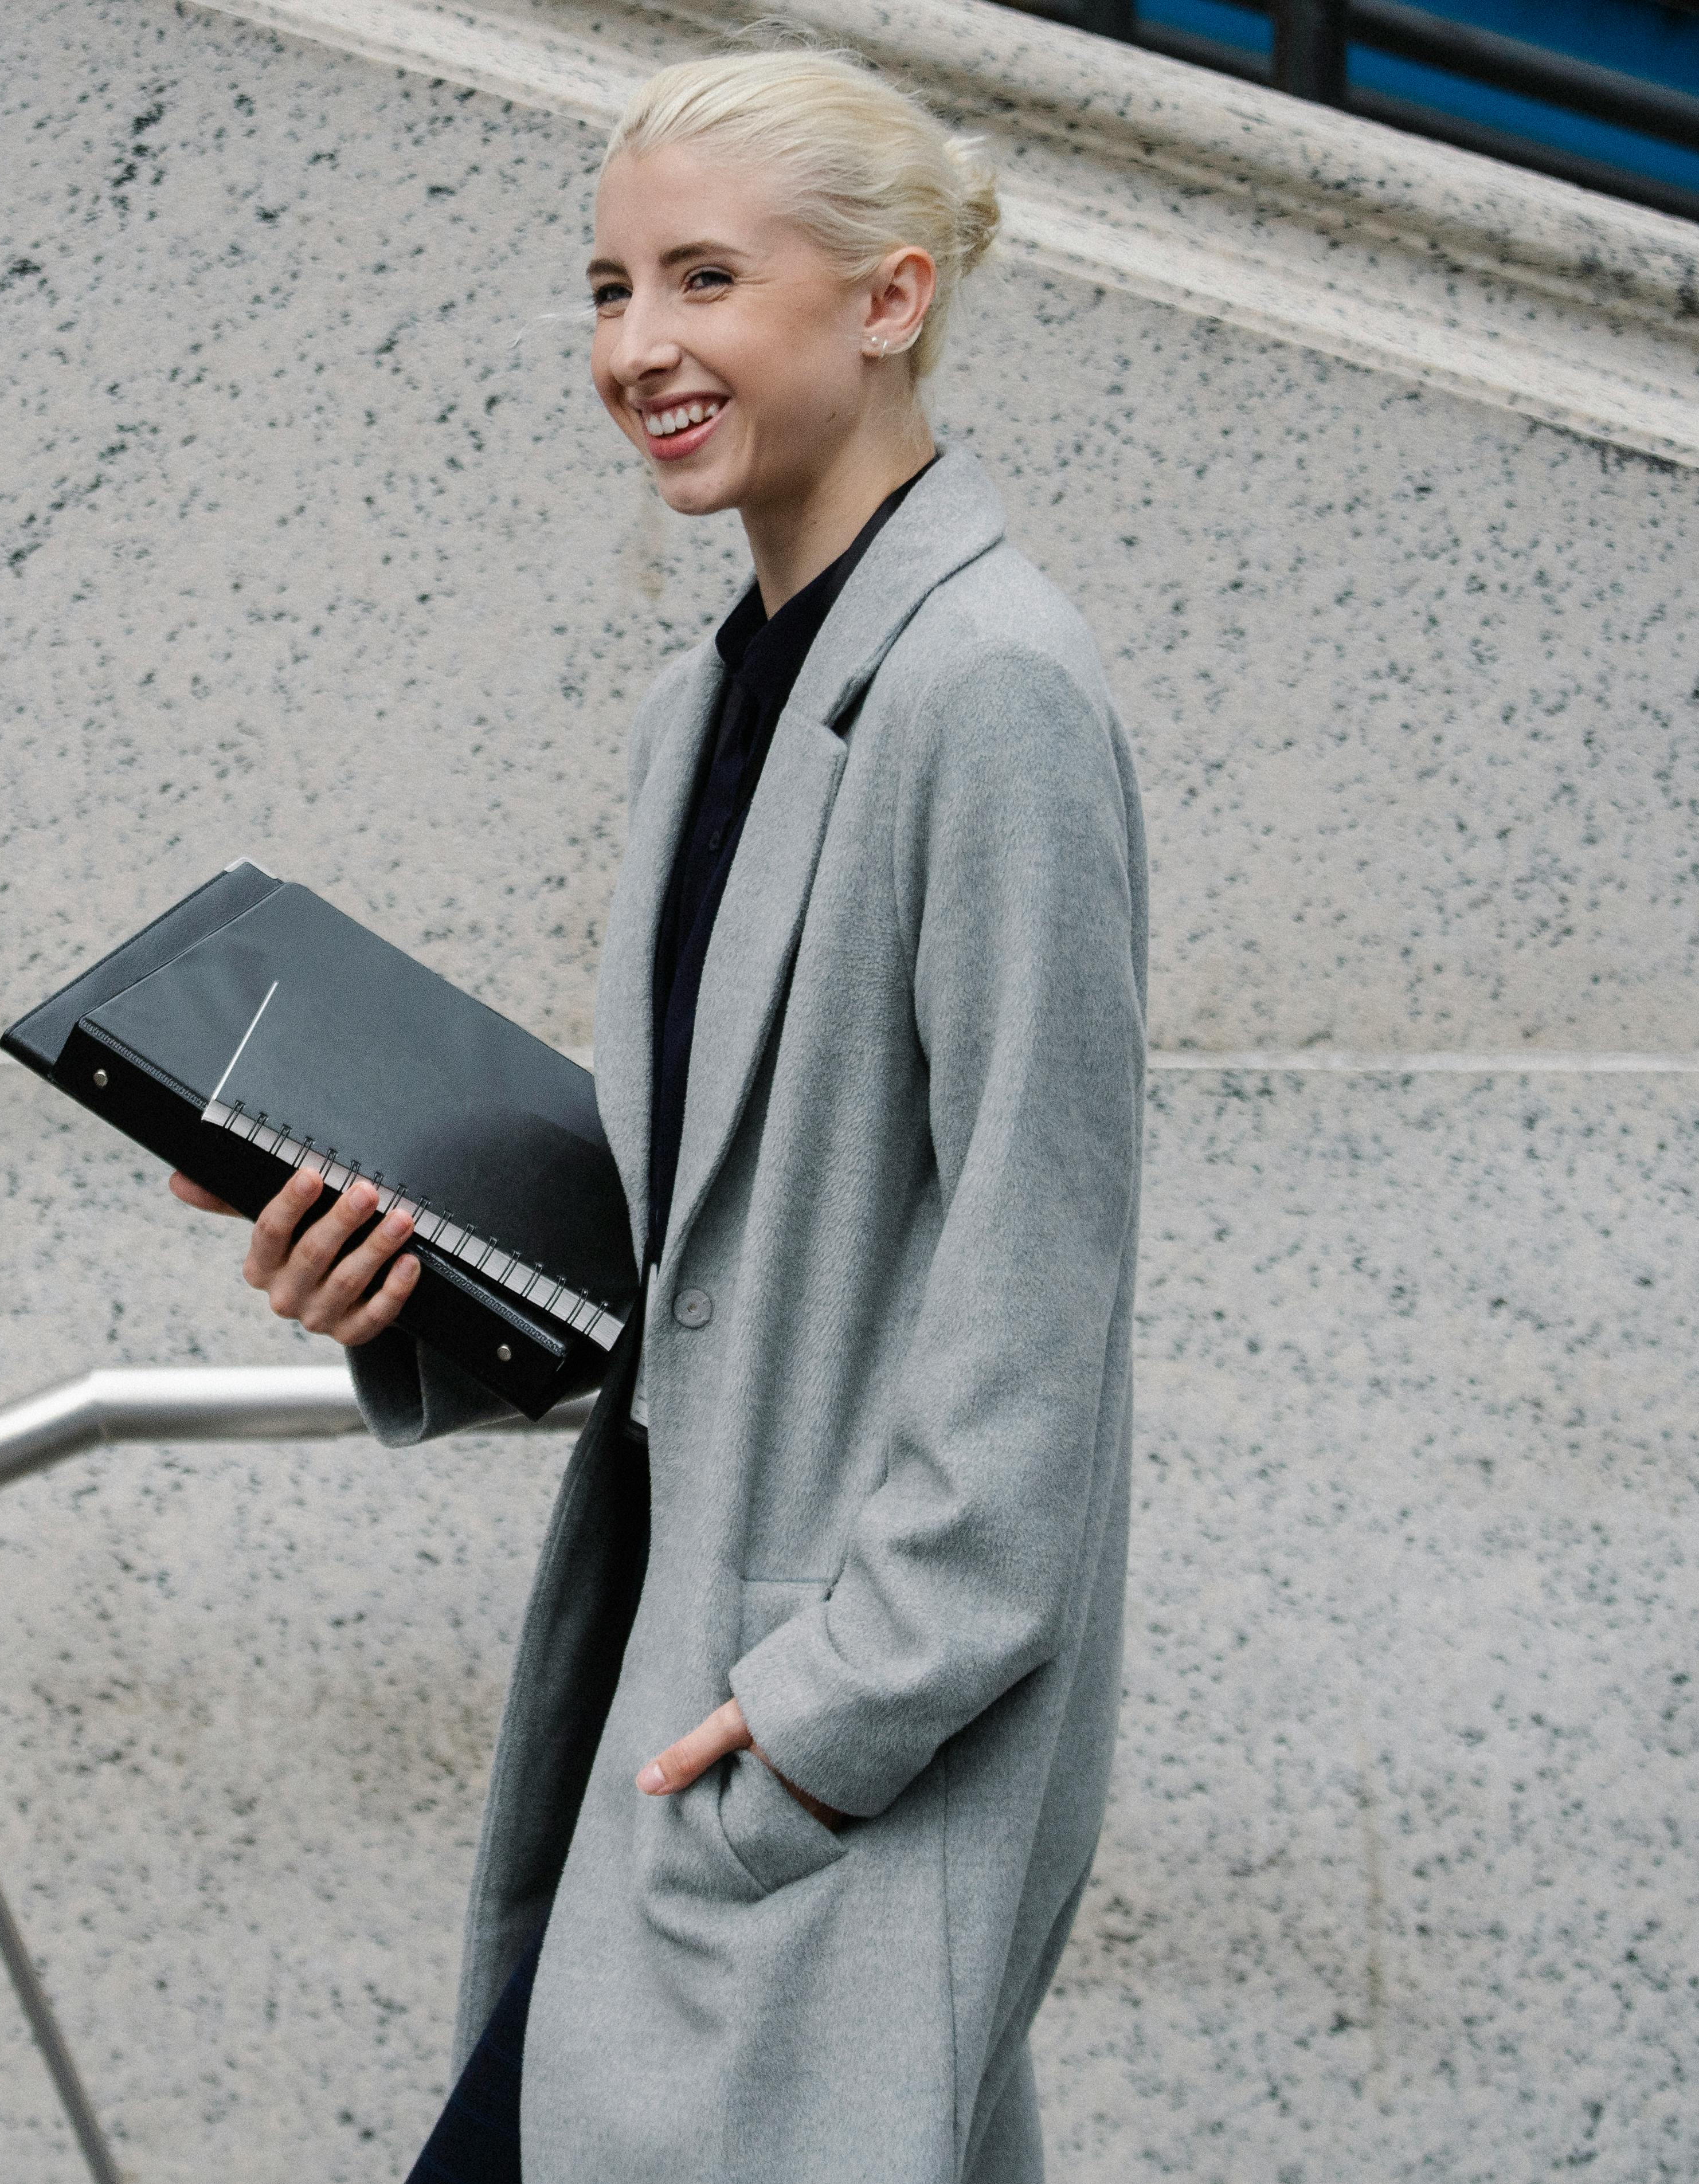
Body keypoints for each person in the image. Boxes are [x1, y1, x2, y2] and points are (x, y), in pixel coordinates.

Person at [170, 44, 1146, 2184]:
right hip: (670, 1681)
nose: (638, 348)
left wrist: (826, 1724)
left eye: (702, 279)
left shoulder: (989, 690)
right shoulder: (705, 700)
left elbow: (1036, 1266)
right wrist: (404, 1284)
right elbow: (703, 1261)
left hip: (812, 1724)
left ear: (888, 299)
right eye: (609, 288)